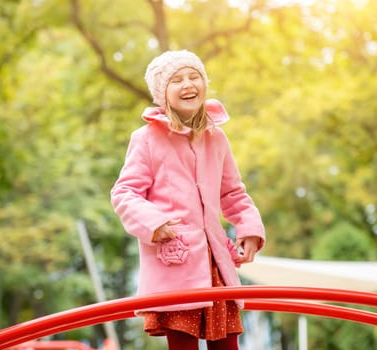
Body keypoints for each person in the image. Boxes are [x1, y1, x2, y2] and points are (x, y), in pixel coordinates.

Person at [110, 50, 265, 350]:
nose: (188, 84)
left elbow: (232, 192)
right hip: (176, 261)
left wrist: (249, 230)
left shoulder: (216, 138)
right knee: (183, 345)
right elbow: (124, 192)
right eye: (177, 79)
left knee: (227, 344)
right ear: (162, 93)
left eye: (194, 76)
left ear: (204, 84)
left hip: (214, 264)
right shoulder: (147, 139)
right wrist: (154, 224)